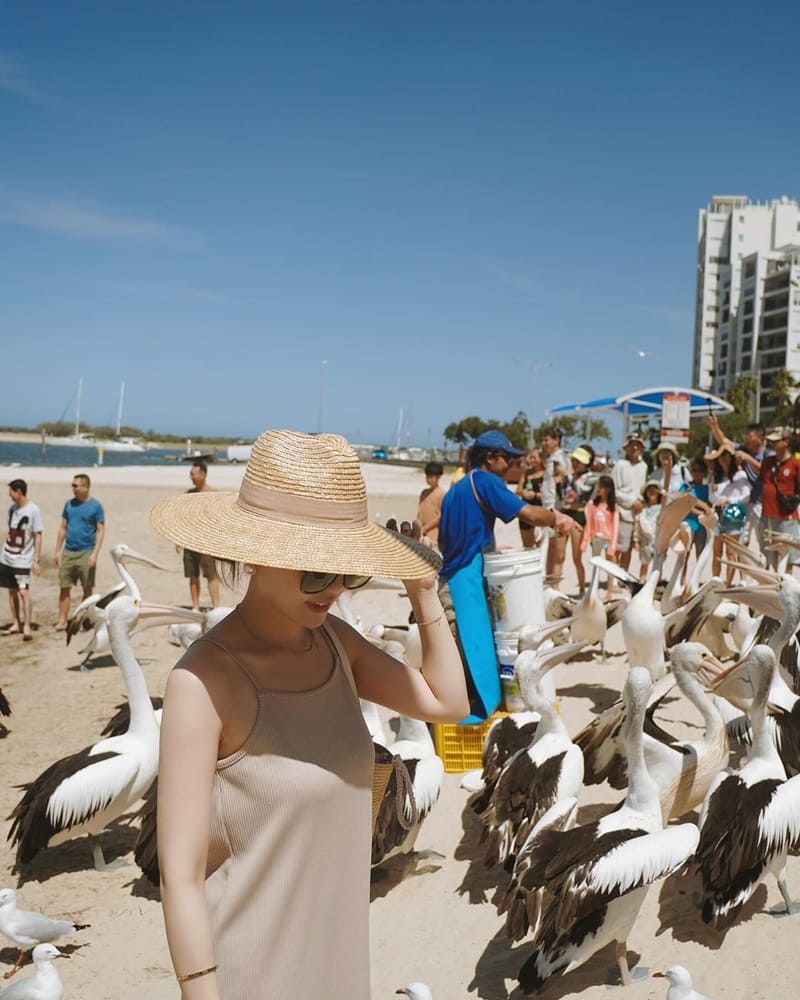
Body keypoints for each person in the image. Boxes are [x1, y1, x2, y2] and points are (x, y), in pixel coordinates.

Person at [150, 429, 468, 1000]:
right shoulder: (203, 681)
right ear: (255, 554)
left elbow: (448, 704)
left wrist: (422, 592)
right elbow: (180, 876)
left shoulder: (335, 645)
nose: (335, 589)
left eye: (348, 571)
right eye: (316, 571)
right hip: (249, 973)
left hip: (339, 965)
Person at [437, 429, 578, 721]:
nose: (510, 465)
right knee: (478, 658)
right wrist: (557, 518)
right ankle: (470, 718)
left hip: (449, 578)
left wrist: (488, 548)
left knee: (461, 655)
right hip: (466, 582)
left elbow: (450, 539)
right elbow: (527, 513)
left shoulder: (458, 488)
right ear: (490, 458)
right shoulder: (486, 481)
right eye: (507, 458)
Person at [53, 473, 105, 631]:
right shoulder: (69, 504)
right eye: (72, 485)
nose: (73, 488)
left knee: (87, 588)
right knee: (64, 587)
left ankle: (85, 620)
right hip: (69, 551)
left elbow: (101, 530)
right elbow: (63, 527)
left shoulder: (96, 506)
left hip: (86, 552)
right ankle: (63, 620)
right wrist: (57, 550)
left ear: (86, 486)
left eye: (76, 485)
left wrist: (95, 553)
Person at [708, 414, 769, 546]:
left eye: (750, 435)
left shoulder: (768, 455)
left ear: (761, 438)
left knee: (763, 540)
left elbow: (764, 472)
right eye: (745, 434)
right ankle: (743, 567)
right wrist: (715, 426)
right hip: (744, 503)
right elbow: (724, 441)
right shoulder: (742, 449)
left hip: (761, 503)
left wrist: (748, 458)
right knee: (741, 540)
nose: (746, 438)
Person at [0, 479, 43, 640]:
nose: (9, 495)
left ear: (18, 491)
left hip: (23, 559)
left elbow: (37, 535)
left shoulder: (33, 510)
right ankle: (16, 622)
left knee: (23, 592)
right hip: (6, 556)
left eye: (11, 491)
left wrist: (36, 560)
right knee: (11, 591)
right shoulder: (12, 509)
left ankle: (27, 625)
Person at [704, 442, 749, 582]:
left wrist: (728, 500)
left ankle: (728, 585)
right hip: (719, 515)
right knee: (717, 553)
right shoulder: (714, 477)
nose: (723, 459)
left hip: (734, 515)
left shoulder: (740, 474)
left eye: (726, 456)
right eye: (721, 456)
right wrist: (720, 500)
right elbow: (711, 497)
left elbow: (746, 495)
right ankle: (716, 582)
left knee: (731, 553)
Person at [759, 426, 800, 570]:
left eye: (776, 441)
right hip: (767, 515)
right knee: (769, 554)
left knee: (787, 554)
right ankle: (775, 584)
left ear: (786, 442)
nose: (773, 445)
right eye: (772, 442)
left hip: (787, 516)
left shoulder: (796, 464)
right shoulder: (767, 462)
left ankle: (786, 585)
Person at [182, 461, 221, 610]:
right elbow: (183, 517)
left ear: (203, 474)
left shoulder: (213, 494)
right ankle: (195, 606)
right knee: (192, 575)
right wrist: (178, 540)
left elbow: (220, 519)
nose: (191, 477)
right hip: (189, 541)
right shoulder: (188, 495)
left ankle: (215, 606)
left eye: (193, 474)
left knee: (211, 574)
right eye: (190, 474)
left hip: (206, 542)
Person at [562, 445, 597, 593]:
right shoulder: (568, 477)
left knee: (576, 557)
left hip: (579, 516)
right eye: (574, 460)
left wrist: (569, 479)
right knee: (559, 554)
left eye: (578, 460)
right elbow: (565, 495)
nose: (574, 463)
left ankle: (582, 588)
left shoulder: (591, 478)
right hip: (566, 512)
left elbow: (580, 493)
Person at [612, 434, 648, 573]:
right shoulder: (620, 465)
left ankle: (623, 575)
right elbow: (615, 491)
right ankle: (614, 578)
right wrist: (631, 502)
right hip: (624, 512)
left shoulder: (643, 466)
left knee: (631, 548)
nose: (634, 448)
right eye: (632, 445)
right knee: (620, 546)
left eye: (637, 445)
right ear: (626, 447)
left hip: (639, 514)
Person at [540, 425, 568, 586]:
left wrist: (557, 506)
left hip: (553, 506)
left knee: (555, 548)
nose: (545, 442)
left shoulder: (558, 457)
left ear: (556, 440)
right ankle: (550, 581)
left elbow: (562, 478)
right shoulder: (552, 457)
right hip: (548, 504)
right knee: (549, 546)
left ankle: (553, 583)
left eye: (547, 439)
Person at [515, 448, 545, 549]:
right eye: (530, 457)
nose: (532, 460)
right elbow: (518, 490)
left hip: (540, 511)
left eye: (534, 457)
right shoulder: (526, 473)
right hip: (526, 510)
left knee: (540, 545)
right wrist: (524, 492)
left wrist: (535, 495)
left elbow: (550, 495)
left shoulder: (546, 474)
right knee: (527, 546)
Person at [637, 479, 663, 580]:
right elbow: (638, 525)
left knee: (659, 564)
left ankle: (657, 583)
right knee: (644, 562)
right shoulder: (643, 509)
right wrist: (636, 540)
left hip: (658, 539)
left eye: (654, 490)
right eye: (649, 490)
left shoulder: (662, 508)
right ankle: (642, 581)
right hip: (645, 540)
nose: (652, 492)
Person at [416, 461, 445, 548]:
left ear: (438, 477)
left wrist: (426, 528)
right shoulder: (424, 492)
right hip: (421, 533)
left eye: (431, 477)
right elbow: (419, 512)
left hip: (434, 534)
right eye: (427, 476)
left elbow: (440, 516)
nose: (428, 479)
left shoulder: (441, 493)